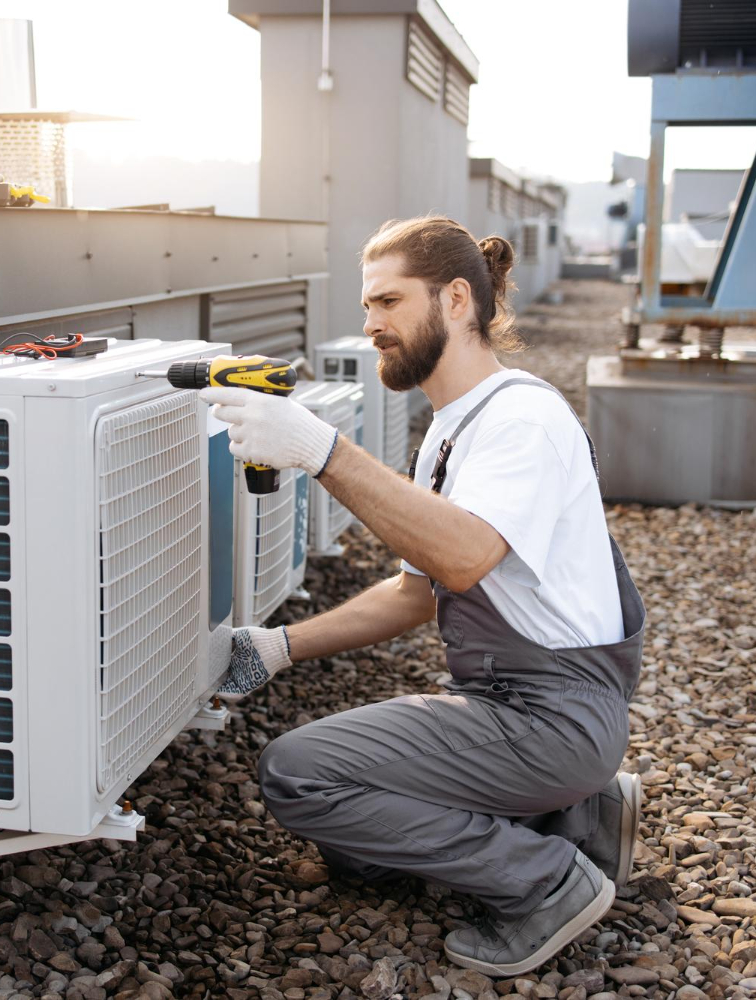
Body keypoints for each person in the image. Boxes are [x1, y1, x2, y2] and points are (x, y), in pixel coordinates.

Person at [202, 215, 647, 977]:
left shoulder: (521, 420)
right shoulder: (450, 431)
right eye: (367, 305)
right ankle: (574, 812)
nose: (370, 324)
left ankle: (547, 884)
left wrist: (320, 450)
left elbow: (466, 557)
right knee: (357, 849)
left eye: (388, 302)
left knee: (298, 774)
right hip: (524, 710)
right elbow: (416, 594)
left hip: (551, 715)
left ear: (456, 299)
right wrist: (276, 648)